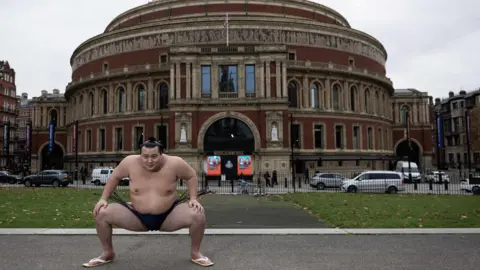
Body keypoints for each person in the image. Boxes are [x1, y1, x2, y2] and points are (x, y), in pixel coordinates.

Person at [82, 138, 213, 268]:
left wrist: (193, 198)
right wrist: (103, 198)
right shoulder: (129, 162)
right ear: (140, 154)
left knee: (198, 214)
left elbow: (191, 176)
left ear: (162, 154)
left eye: (154, 156)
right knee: (101, 213)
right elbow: (114, 177)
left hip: (169, 215)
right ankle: (107, 253)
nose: (149, 161)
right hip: (136, 216)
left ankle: (196, 253)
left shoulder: (175, 163)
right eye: (145, 156)